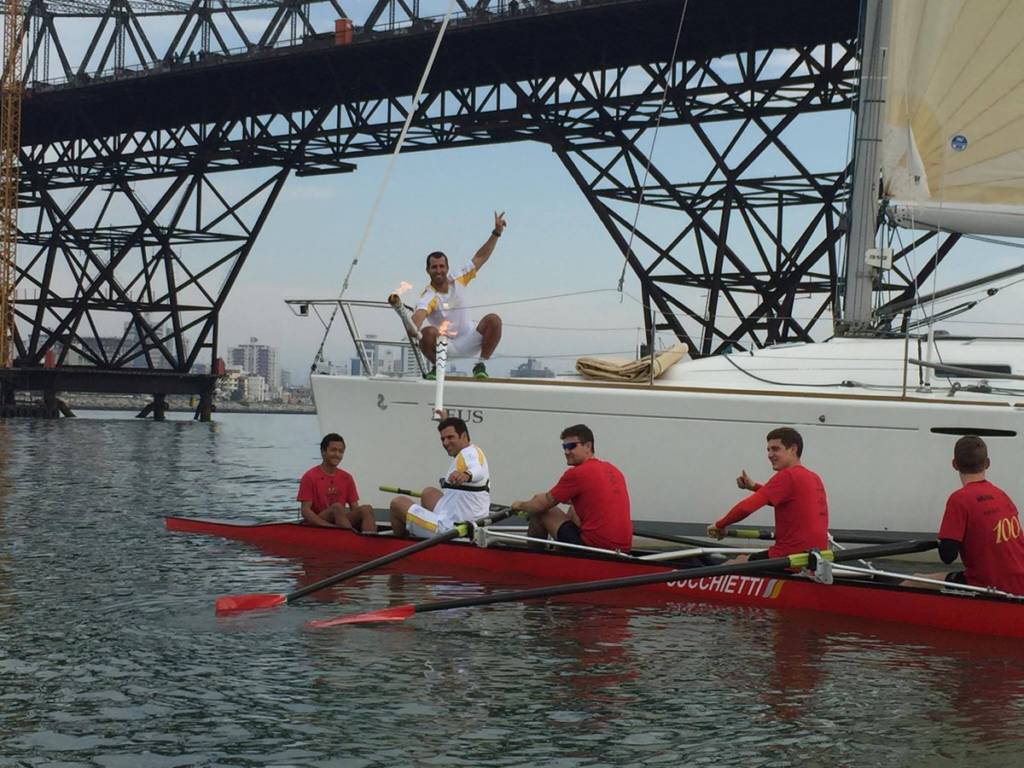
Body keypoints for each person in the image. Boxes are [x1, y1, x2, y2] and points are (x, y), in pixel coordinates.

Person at [411, 211, 507, 379]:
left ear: (447, 268)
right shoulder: (429, 296)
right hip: (444, 346)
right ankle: (437, 368)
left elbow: (480, 257)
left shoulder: (459, 279)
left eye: (442, 266)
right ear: (428, 270)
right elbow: (419, 314)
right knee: (426, 333)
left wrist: (496, 233)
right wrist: (413, 327)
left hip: (470, 340)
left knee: (494, 320)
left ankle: (481, 364)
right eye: (434, 267)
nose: (438, 271)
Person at [707, 427, 828, 560]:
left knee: (738, 561)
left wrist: (719, 525)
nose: (770, 455)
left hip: (789, 557)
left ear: (793, 449)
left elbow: (746, 507)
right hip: (817, 558)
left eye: (775, 449)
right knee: (742, 559)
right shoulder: (814, 477)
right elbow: (786, 502)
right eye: (768, 450)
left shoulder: (787, 475)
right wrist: (753, 486)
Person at [511, 424, 633, 551]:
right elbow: (591, 499)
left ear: (588, 446)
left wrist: (520, 506)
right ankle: (558, 553)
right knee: (573, 508)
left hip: (594, 549)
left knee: (541, 511)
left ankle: (535, 558)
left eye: (571, 446)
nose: (566, 452)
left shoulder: (578, 473)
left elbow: (541, 503)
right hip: (622, 550)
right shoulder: (614, 470)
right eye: (564, 447)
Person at [928, 435, 1024, 594]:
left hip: (992, 584)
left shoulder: (959, 499)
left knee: (915, 580)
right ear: (988, 463)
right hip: (1020, 581)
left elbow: (947, 556)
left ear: (954, 464)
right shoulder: (1002, 495)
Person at [389, 416, 491, 537]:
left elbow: (478, 470)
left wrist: (466, 475)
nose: (445, 443)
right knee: (428, 493)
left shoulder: (469, 455)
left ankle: (400, 543)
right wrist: (445, 421)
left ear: (464, 436)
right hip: (466, 519)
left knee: (397, 504)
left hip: (454, 529)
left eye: (450, 437)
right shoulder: (472, 451)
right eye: (443, 439)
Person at [297, 433, 377, 532]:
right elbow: (305, 510)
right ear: (323, 452)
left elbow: (355, 508)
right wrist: (328, 526)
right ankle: (349, 537)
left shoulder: (347, 477)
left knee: (366, 509)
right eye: (333, 450)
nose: (337, 454)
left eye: (340, 451)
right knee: (337, 507)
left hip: (340, 522)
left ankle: (369, 538)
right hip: (317, 525)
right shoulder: (309, 476)